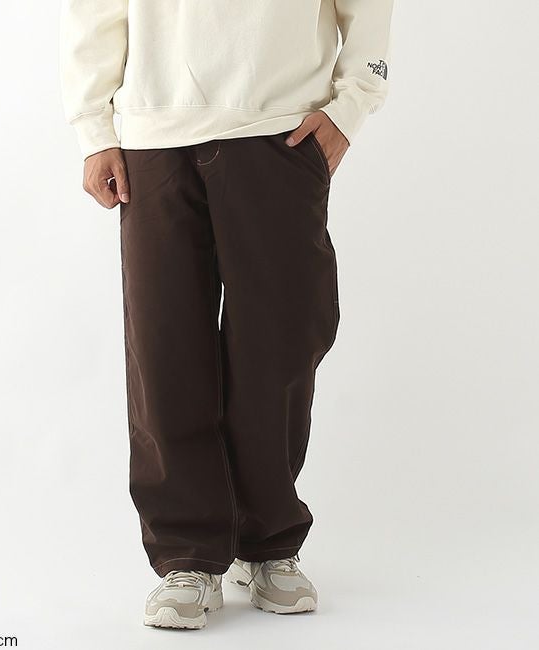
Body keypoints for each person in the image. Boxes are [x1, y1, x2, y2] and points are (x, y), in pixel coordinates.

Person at [60, 0, 393, 630]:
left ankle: (267, 541)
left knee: (281, 341)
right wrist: (93, 129)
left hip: (280, 127)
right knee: (165, 347)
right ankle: (187, 554)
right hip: (155, 132)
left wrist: (350, 106)